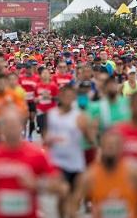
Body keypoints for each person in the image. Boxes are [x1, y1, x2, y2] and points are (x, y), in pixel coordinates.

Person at [0, 108, 68, 218]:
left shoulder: (37, 154)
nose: (11, 130)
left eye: (14, 125)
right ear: (1, 129)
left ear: (21, 127)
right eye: (7, 125)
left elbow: (62, 187)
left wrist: (37, 185)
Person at [71, 130, 137, 218]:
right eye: (107, 145)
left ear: (122, 148)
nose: (110, 147)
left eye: (114, 145)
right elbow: (73, 202)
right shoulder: (89, 175)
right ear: (101, 147)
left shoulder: (134, 172)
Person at [44, 85, 94, 218]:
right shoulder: (52, 114)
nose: (67, 98)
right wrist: (48, 141)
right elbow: (46, 137)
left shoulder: (80, 116)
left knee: (73, 201)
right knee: (63, 193)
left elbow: (90, 141)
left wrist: (86, 130)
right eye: (64, 95)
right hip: (58, 162)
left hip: (76, 163)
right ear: (60, 96)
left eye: (70, 95)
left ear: (74, 98)